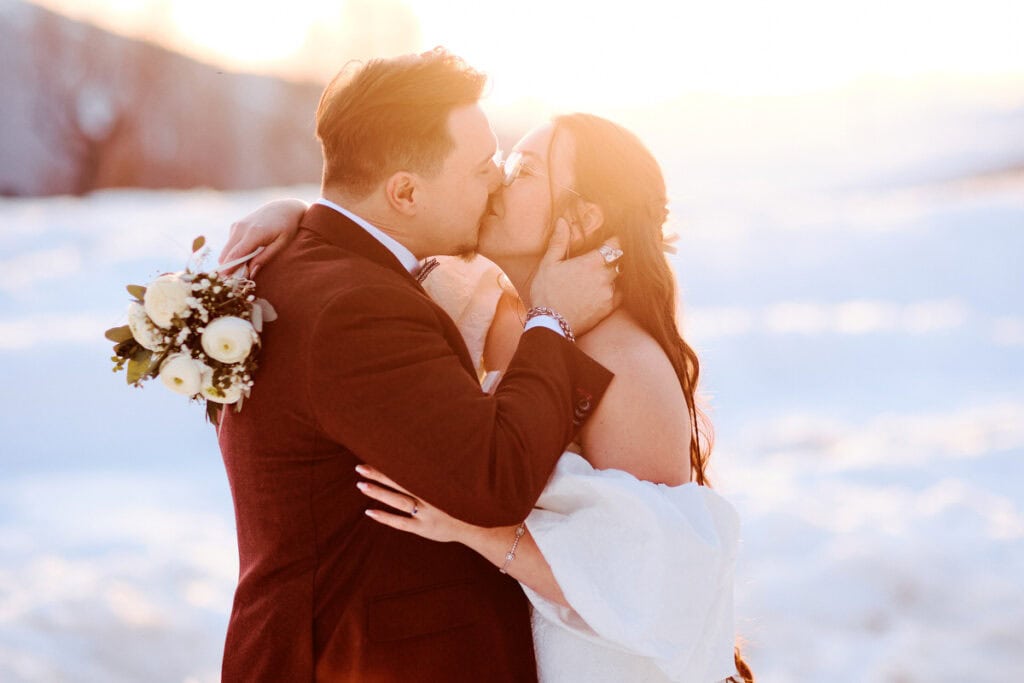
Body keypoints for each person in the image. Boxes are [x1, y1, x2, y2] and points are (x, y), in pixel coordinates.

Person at [225, 113, 755, 681]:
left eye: (524, 171)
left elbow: (655, 574)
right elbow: (379, 231)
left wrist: (481, 531)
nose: (497, 181)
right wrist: (298, 212)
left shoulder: (626, 364)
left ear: (581, 217)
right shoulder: (472, 300)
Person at [214, 48, 621, 682]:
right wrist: (553, 322)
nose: (498, 184)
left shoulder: (308, 265)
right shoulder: (357, 307)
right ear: (404, 191)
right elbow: (493, 481)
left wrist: (293, 209)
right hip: (363, 659)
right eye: (483, 168)